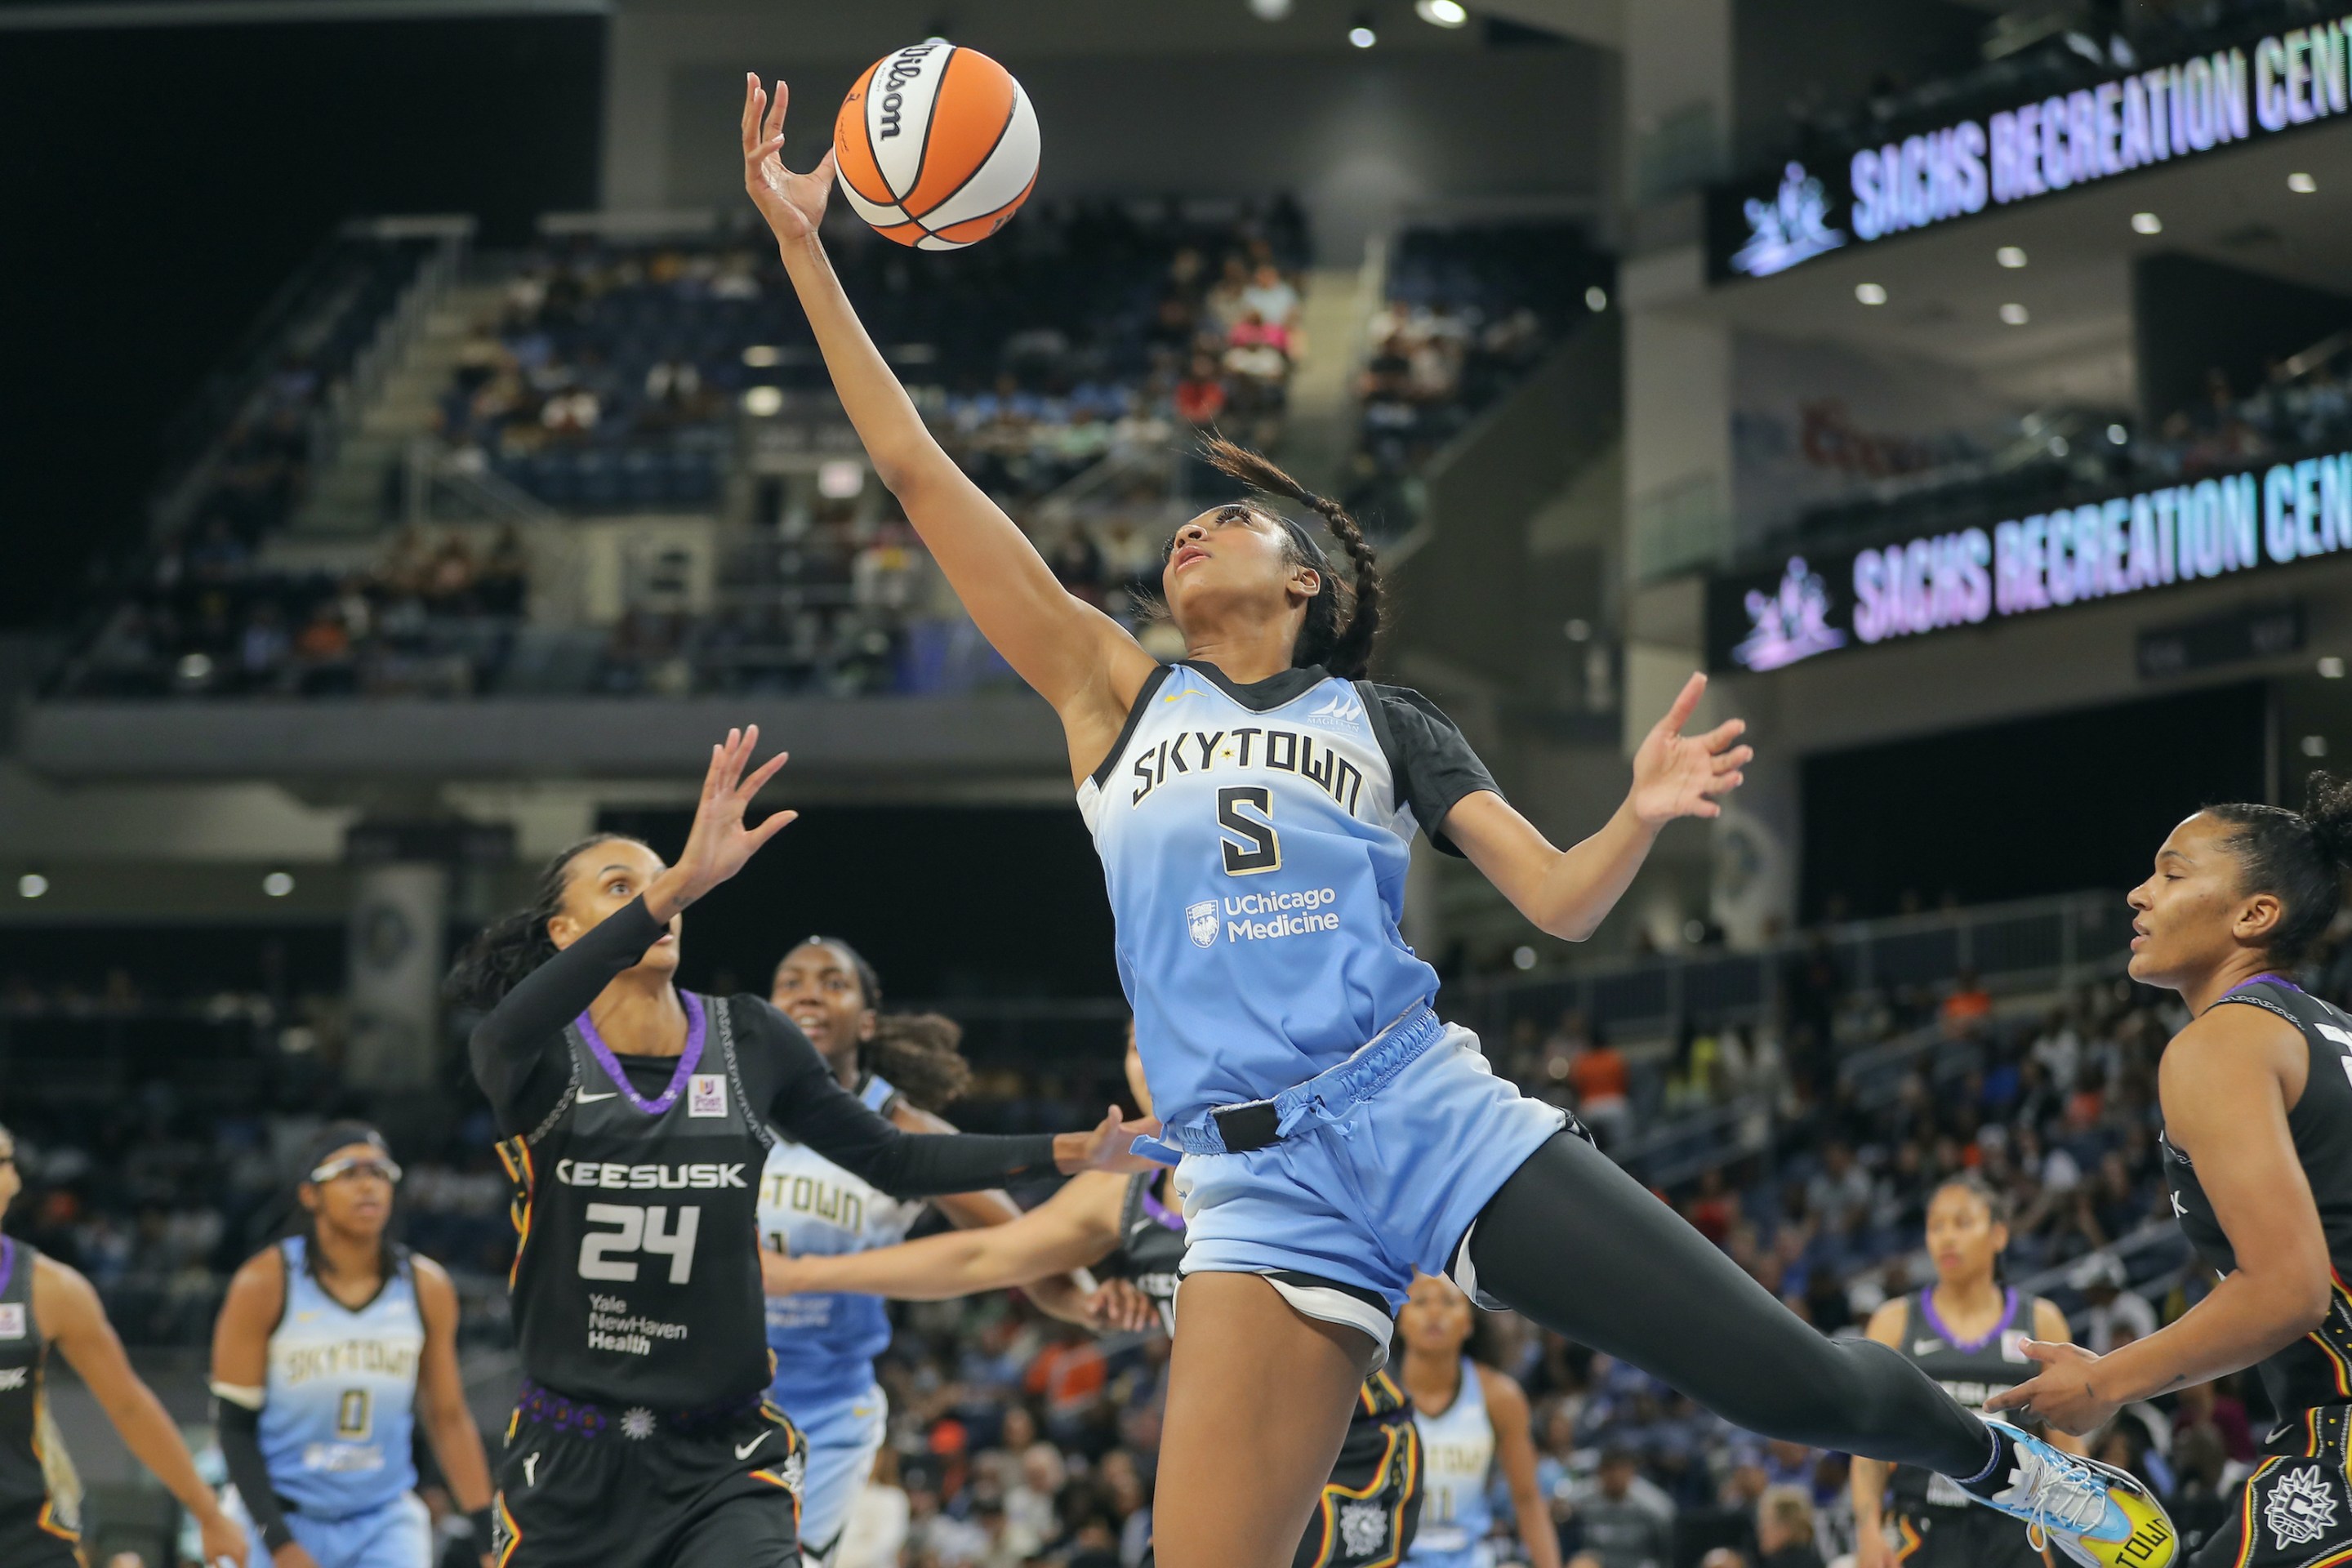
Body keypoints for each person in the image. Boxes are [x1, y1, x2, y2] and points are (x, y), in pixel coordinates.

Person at [738, 80, 2170, 1568]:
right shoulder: (1113, 696)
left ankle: (1993, 1455)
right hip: (1251, 1185)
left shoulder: (1384, 725)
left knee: (1790, 1385)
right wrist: (806, 248)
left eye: (1230, 522)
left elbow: (1556, 906)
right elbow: (915, 471)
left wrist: (1634, 810)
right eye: (1182, 528)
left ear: (1303, 582)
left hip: (1416, 1112)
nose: (1190, 529)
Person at [452, 728, 1147, 1568]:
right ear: (568, 932)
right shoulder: (537, 1061)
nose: (658, 897)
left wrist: (1070, 1149)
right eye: (620, 886)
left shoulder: (749, 1040)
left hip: (721, 1452)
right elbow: (499, 1031)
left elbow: (895, 1159)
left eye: (660, 880)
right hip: (571, 1452)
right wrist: (674, 885)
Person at [763, 1029, 1426, 1568]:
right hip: (1223, 1454)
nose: (1155, 1057)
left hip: (1351, 1448)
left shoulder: (1289, 1142)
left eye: (1173, 1036)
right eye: (1138, 1045)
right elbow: (985, 1255)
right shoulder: (1127, 1186)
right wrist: (800, 1275)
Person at [1990, 773, 2352, 1567]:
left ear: (2256, 915)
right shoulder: (2330, 1033)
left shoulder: (2224, 1043)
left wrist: (2105, 1383)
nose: (2138, 893)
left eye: (2172, 872)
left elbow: (2290, 1289)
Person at [758, 936, 1093, 1566]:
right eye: (791, 980)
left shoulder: (900, 1128)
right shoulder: (727, 1107)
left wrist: (1071, 1293)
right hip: (714, 1391)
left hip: (826, 1410)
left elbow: (1019, 1240)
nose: (808, 990)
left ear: (866, 1020)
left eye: (832, 981)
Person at [209, 1122, 496, 1568]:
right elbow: (233, 1427)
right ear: (310, 1195)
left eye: (380, 1173)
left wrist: (487, 1537)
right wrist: (280, 1543)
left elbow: (449, 1418)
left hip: (383, 1521)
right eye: (349, 1172)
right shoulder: (263, 1283)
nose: (368, 1185)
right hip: (276, 1516)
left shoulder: (426, 1287)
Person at [0, 1121, 247, 1568]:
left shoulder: (52, 1290)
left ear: (13, 1179)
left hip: (25, 1535)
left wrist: (208, 1515)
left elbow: (129, 1406)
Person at [1852, 1174, 2079, 1568]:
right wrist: (1867, 1526)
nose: (1947, 1238)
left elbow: (2069, 1447)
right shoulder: (1893, 1323)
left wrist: (2076, 1531)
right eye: (1936, 1226)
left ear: (1999, 1235)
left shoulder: (2041, 1322)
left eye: (1962, 1223)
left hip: (2018, 1528)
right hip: (1920, 1524)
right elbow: (1868, 1448)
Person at [1396, 1273, 1557, 1568]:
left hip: (1470, 1559)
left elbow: (1527, 1499)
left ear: (1469, 1321)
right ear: (1399, 1319)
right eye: (1420, 1301)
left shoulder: (1499, 1396)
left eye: (1448, 1302)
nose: (1435, 1313)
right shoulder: (1371, 1393)